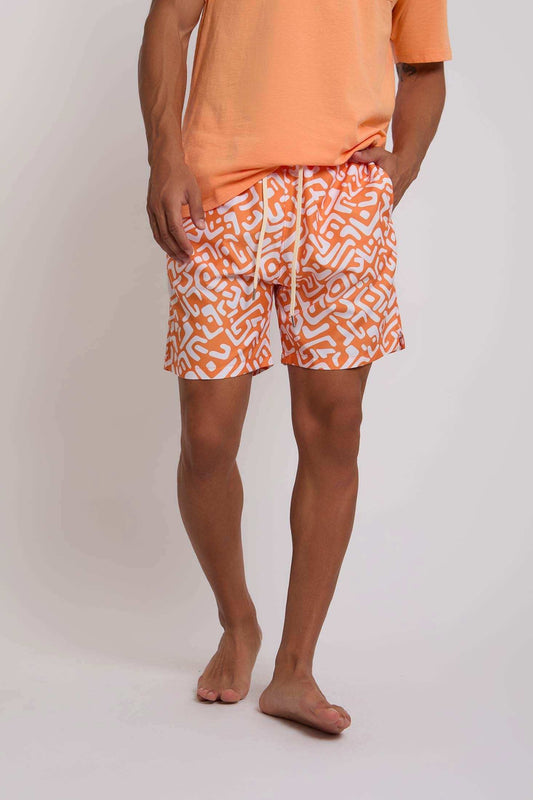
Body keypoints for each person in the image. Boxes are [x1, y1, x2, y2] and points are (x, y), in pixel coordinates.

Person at [138, 0, 452, 735]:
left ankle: (295, 669)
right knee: (207, 439)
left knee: (335, 427)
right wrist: (165, 158)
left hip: (343, 193)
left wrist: (399, 170)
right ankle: (238, 621)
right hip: (220, 194)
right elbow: (168, 21)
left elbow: (423, 69)